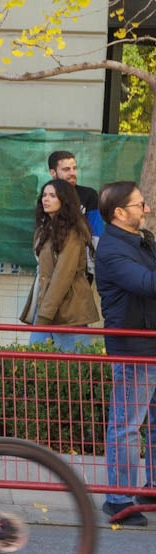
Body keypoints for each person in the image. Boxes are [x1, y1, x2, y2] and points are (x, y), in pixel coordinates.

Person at [93, 180, 156, 527]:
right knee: (127, 425)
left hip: (150, 343)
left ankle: (150, 489)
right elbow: (146, 284)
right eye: (139, 205)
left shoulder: (140, 240)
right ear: (119, 212)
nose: (146, 209)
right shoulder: (112, 249)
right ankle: (118, 500)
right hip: (133, 348)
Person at [23, 178, 98, 351]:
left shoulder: (73, 231)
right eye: (44, 195)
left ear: (64, 200)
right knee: (35, 361)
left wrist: (44, 316)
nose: (46, 199)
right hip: (46, 305)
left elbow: (63, 275)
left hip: (70, 310)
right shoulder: (44, 229)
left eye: (52, 196)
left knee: (72, 364)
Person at [50, 150, 103, 244]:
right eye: (66, 169)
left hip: (83, 250)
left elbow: (96, 233)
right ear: (53, 172)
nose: (72, 173)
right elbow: (41, 231)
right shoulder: (46, 197)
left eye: (74, 168)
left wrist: (91, 253)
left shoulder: (89, 195)